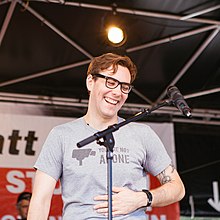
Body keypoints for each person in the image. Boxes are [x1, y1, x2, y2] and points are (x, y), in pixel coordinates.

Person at [27, 53, 185, 219]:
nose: (117, 92)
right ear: (90, 82)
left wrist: (142, 198)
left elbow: (177, 187)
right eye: (111, 82)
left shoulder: (142, 134)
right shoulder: (61, 135)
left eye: (124, 87)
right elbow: (40, 200)